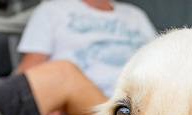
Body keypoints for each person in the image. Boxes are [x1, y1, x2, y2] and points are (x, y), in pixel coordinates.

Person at [14, 0, 157, 96]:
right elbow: (28, 73)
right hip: (79, 106)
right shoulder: (52, 10)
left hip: (138, 100)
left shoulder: (136, 15)